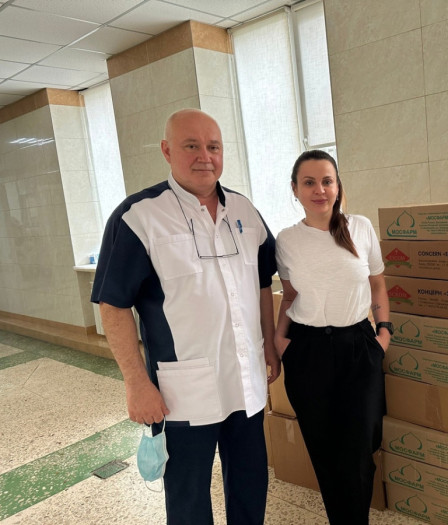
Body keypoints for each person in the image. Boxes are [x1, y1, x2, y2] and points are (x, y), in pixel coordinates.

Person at [91, 108, 279, 525]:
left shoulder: (245, 212)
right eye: (191, 146)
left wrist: (269, 346)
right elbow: (113, 305)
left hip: (245, 383)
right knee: (188, 496)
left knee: (250, 483)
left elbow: (263, 284)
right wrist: (136, 384)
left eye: (213, 147)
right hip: (183, 393)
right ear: (166, 150)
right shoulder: (138, 216)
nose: (204, 157)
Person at [274, 150, 391, 525]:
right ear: (295, 189)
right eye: (309, 182)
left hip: (358, 346)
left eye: (327, 181)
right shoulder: (287, 240)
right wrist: (279, 341)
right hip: (307, 350)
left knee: (360, 448)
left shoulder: (360, 228)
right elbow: (289, 295)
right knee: (323, 449)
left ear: (338, 186)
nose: (319, 190)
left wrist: (383, 332)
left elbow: (377, 284)